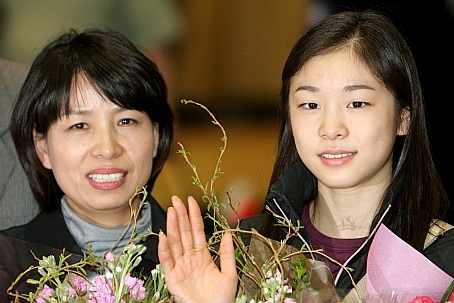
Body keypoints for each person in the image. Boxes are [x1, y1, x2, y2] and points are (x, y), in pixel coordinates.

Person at [157, 9, 454, 302]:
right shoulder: (243, 250)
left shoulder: (442, 256)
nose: (331, 128)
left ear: (404, 117)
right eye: (310, 105)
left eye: (357, 103)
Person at [0, 26, 174, 302]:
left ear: (155, 136)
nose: (107, 149)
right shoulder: (9, 266)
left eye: (126, 121)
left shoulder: (213, 254)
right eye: (80, 125)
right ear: (43, 147)